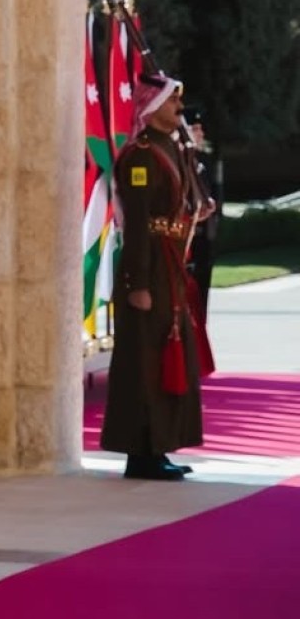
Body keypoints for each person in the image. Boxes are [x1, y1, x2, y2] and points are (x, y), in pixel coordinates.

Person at [101, 73, 213, 480]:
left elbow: (186, 204)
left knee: (168, 356)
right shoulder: (141, 156)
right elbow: (138, 224)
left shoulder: (171, 147)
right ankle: (141, 453)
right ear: (151, 108)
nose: (179, 109)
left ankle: (159, 447)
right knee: (145, 363)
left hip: (169, 268)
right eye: (171, 102)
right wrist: (139, 283)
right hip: (150, 269)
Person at [183, 108, 221, 319]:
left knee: (202, 291)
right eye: (195, 128)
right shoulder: (180, 161)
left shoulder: (205, 160)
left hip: (205, 236)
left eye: (200, 129)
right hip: (188, 235)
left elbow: (215, 194)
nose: (200, 133)